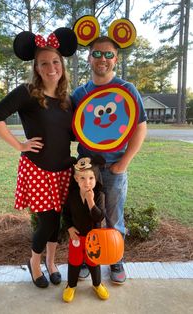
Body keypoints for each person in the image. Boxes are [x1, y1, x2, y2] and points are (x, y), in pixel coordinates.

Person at [0, 28, 77, 288]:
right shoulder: (27, 92)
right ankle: (34, 262)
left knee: (57, 220)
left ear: (62, 65)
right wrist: (20, 144)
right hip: (38, 170)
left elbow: (72, 134)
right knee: (47, 221)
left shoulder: (66, 100)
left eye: (56, 62)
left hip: (63, 170)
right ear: (36, 68)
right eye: (44, 63)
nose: (51, 68)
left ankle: (51, 262)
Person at [71, 35, 147, 284]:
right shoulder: (79, 93)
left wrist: (124, 163)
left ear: (116, 58)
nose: (102, 59)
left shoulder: (126, 90)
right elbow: (70, 128)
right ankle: (86, 258)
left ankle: (116, 259)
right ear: (88, 57)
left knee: (114, 217)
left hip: (115, 168)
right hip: (87, 169)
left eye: (108, 54)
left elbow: (140, 128)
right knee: (86, 215)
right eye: (96, 54)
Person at [62, 156, 109, 302]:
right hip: (76, 236)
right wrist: (69, 227)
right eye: (82, 178)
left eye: (90, 178)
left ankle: (97, 284)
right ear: (76, 179)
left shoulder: (99, 195)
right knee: (74, 261)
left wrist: (90, 201)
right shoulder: (72, 196)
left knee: (93, 262)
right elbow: (66, 214)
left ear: (96, 179)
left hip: (93, 238)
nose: (87, 182)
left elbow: (99, 217)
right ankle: (71, 285)